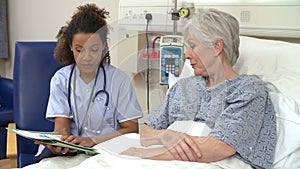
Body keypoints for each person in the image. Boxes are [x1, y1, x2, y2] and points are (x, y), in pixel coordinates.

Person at [121, 8, 277, 169]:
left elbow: (221, 147)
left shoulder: (247, 89)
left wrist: (146, 155)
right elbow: (146, 132)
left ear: (217, 46)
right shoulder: (183, 87)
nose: (187, 54)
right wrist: (164, 135)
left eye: (193, 46)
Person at [34, 3, 143, 162]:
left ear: (104, 47)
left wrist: (92, 142)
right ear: (71, 46)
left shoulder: (119, 80)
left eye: (93, 49)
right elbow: (61, 128)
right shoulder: (61, 80)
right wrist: (60, 143)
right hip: (71, 155)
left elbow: (132, 130)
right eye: (80, 49)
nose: (86, 57)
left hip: (110, 153)